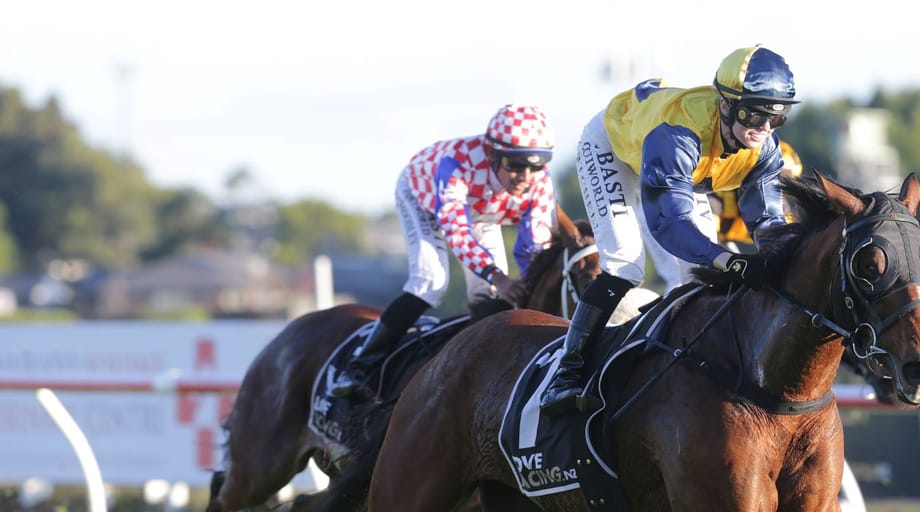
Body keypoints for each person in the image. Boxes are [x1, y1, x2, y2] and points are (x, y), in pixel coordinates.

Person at [539, 45, 801, 414]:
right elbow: (669, 224)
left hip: (682, 169)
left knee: (694, 275)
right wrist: (731, 261)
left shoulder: (764, 147)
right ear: (725, 105)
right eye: (754, 114)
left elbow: (770, 222)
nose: (763, 128)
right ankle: (566, 374)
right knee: (626, 264)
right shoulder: (679, 132)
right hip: (614, 149)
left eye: (776, 118)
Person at [331, 104, 557, 398]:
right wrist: (499, 276)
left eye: (535, 166)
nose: (525, 176)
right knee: (430, 282)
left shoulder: (540, 182)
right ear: (492, 154)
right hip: (422, 196)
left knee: (492, 296)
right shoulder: (457, 165)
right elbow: (458, 234)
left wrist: (530, 285)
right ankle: (358, 367)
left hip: (480, 211)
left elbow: (534, 247)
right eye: (514, 165)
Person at [710, 139, 803, 251]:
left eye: (783, 182)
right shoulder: (722, 189)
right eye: (772, 177)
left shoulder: (782, 213)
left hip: (721, 241)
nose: (774, 187)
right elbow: (705, 230)